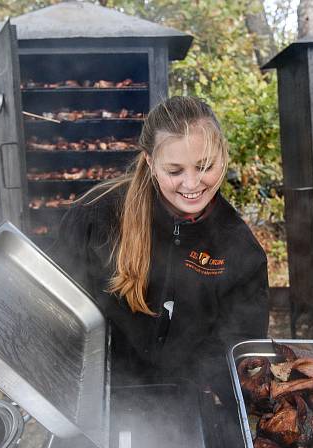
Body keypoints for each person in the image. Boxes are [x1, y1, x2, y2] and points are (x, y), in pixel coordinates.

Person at [51, 96, 269, 396]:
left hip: (186, 406)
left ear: (223, 155)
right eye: (175, 171)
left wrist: (202, 393)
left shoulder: (241, 250)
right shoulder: (95, 216)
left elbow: (239, 348)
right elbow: (58, 310)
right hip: (98, 395)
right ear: (151, 162)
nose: (191, 185)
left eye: (205, 166)